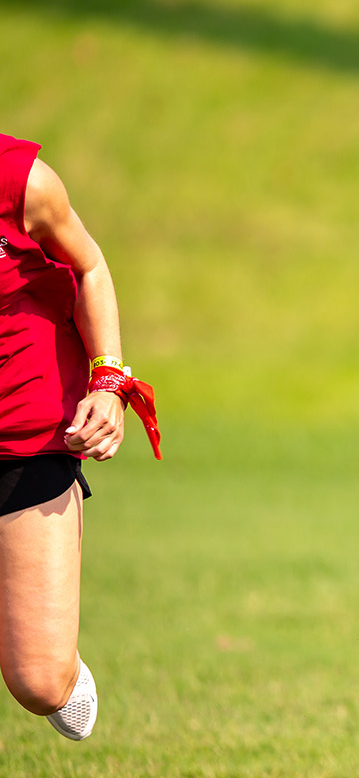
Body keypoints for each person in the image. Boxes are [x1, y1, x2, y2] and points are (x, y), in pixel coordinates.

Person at [0, 134, 160, 740]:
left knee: (38, 681)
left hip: (26, 428)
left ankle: (50, 658)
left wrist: (109, 379)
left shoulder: (23, 185)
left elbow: (90, 266)